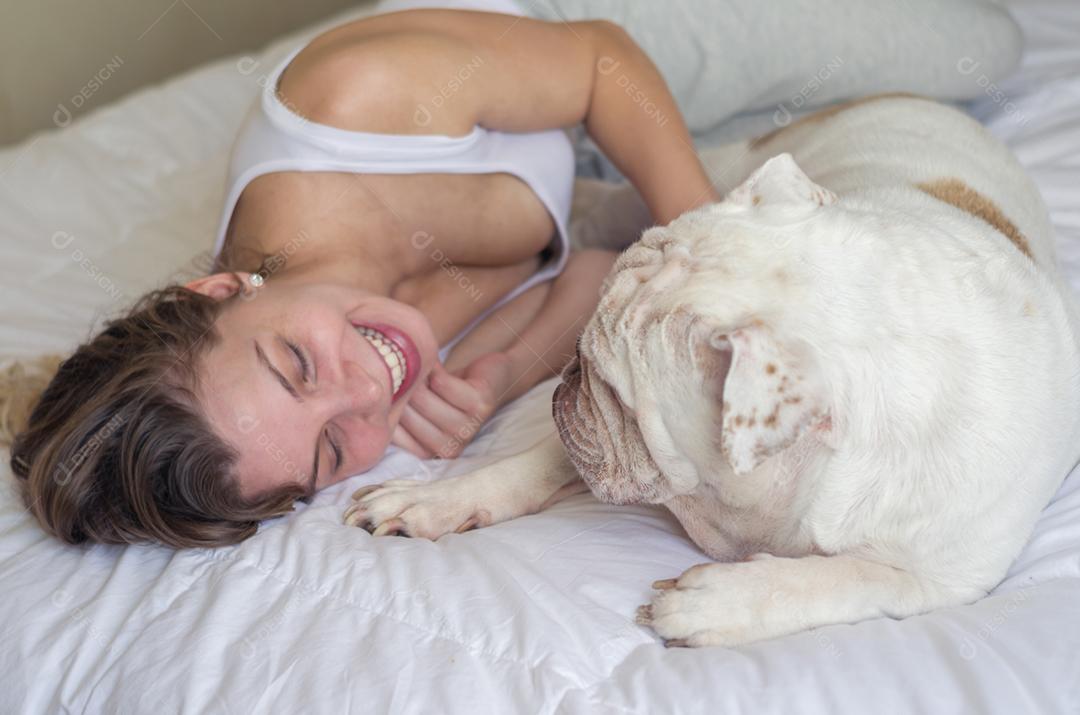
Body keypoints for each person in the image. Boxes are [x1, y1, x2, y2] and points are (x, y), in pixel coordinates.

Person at [3, 0, 1024, 548]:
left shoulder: (351, 105)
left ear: (217, 288)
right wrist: (501, 372)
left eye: (294, 366)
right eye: (327, 455)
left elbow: (601, 60)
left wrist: (719, 248)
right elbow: (590, 268)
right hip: (578, 162)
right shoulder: (372, 360)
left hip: (580, 52)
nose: (367, 391)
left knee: (988, 46)